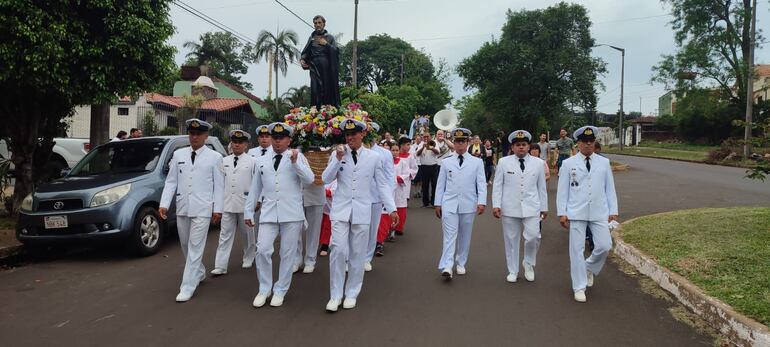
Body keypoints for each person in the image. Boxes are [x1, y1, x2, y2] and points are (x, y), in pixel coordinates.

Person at [321, 119, 398, 312]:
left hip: (362, 210)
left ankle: (352, 292)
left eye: (354, 134)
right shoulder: (337, 154)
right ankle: (335, 294)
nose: (350, 138)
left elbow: (381, 184)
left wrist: (392, 208)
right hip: (340, 209)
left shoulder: (373, 157)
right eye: (347, 135)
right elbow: (326, 179)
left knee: (357, 253)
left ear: (362, 134)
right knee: (337, 250)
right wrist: (337, 159)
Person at [245, 122, 314, 308]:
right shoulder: (261, 160)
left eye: (281, 138)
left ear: (288, 140)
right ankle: (264, 288)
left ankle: (281, 289)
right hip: (268, 213)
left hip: (291, 213)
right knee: (263, 250)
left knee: (287, 253)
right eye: (274, 138)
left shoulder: (297, 157)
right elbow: (255, 188)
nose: (277, 142)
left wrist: (295, 163)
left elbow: (310, 180)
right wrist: (248, 211)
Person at [159, 119, 224, 302]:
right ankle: (200, 271)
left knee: (195, 246)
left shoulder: (215, 157)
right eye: (191, 133)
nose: (194, 137)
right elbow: (171, 181)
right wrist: (164, 204)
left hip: (203, 207)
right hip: (183, 207)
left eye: (198, 134)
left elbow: (219, 186)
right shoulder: (179, 154)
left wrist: (217, 209)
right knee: (186, 244)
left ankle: (187, 286)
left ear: (206, 136)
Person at [556, 126, 618, 303]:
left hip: (599, 210)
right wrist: (562, 212)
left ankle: (588, 267)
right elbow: (562, 191)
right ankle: (579, 286)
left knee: (605, 245)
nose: (589, 144)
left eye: (591, 141)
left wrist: (613, 210)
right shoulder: (569, 164)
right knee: (576, 250)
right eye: (585, 141)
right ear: (579, 143)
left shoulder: (603, 162)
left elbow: (609, 188)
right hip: (576, 211)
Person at [492, 130, 548, 283]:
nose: (521, 148)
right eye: (518, 145)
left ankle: (528, 263)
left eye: (524, 145)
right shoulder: (504, 162)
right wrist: (496, 204)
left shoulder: (538, 163)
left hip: (532, 207)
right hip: (510, 207)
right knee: (511, 240)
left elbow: (541, 187)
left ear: (529, 146)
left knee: (533, 236)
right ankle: (513, 270)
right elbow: (497, 185)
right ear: (512, 147)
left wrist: (544, 207)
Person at [434, 128, 486, 280]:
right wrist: (438, 203)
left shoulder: (477, 162)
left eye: (463, 141)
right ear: (453, 143)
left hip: (469, 203)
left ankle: (461, 262)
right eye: (457, 141)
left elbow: (481, 184)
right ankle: (447, 265)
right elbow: (440, 185)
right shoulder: (446, 162)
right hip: (449, 203)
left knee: (465, 235)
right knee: (450, 235)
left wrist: (481, 202)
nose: (460, 144)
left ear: (468, 142)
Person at [211, 130, 257, 276]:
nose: (236, 145)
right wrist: (217, 205)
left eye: (240, 142)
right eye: (234, 142)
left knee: (247, 234)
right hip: (228, 203)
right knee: (224, 235)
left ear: (246, 145)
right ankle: (220, 265)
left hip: (245, 204)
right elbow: (218, 185)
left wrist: (258, 200)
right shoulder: (224, 161)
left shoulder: (253, 161)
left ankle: (249, 256)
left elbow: (258, 184)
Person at [365, 122, 396, 272]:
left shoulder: (384, 153)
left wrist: (387, 199)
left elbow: (390, 177)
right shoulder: (354, 151)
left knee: (372, 230)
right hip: (358, 197)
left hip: (376, 197)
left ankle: (366, 258)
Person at [300, 15, 340, 108]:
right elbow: (306, 52)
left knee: (326, 88)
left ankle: (327, 109)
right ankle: (315, 110)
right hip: (314, 67)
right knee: (315, 89)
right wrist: (302, 59)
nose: (317, 25)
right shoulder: (312, 38)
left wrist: (326, 44)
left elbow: (336, 51)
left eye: (319, 23)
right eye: (315, 23)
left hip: (326, 68)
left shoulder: (329, 38)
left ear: (324, 24)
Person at [393, 137, 418, 237]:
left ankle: (399, 227)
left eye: (409, 145)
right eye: (407, 144)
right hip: (393, 183)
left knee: (401, 204)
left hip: (404, 183)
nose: (409, 147)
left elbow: (414, 169)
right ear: (401, 145)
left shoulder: (410, 157)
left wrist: (405, 176)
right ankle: (391, 227)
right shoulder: (394, 156)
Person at [298, 180, 325, 274]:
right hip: (295, 195)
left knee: (314, 231)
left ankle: (310, 260)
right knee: (295, 229)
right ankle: (296, 259)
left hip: (316, 194)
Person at [416, 132, 440, 207]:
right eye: (424, 137)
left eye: (427, 136)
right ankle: (425, 203)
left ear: (430, 136)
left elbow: (438, 152)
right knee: (425, 185)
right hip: (424, 167)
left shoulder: (434, 142)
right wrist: (423, 147)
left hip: (433, 166)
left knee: (434, 185)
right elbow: (417, 154)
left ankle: (433, 203)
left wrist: (431, 148)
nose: (426, 138)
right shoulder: (421, 144)